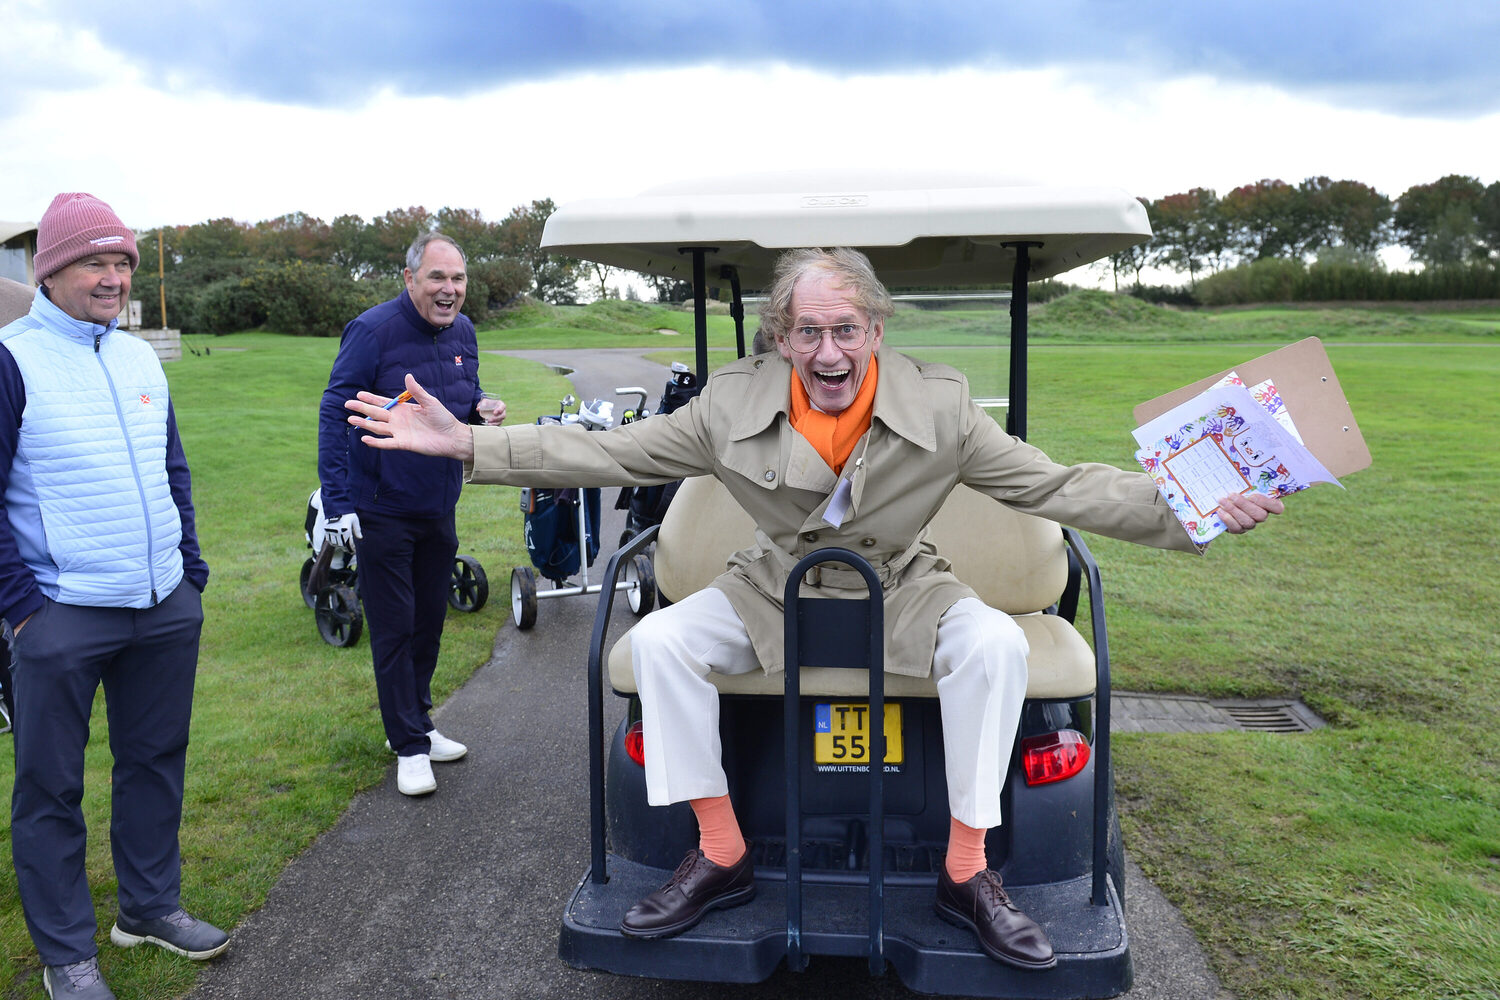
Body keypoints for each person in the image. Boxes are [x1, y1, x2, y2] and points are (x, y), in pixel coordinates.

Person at [343, 247, 1283, 968]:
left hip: (903, 583)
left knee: (996, 647)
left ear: (876, 328)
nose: (828, 353)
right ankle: (721, 854)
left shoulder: (943, 409)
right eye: (807, 333)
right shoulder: (729, 405)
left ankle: (966, 871)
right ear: (781, 338)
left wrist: (1187, 508)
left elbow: (1059, 485)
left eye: (845, 330)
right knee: (661, 642)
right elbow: (611, 454)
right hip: (774, 584)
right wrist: (468, 445)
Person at [0, 193, 227, 1000]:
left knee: (155, 762)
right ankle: (68, 954)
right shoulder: (12, 358)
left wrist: (188, 572)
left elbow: (173, 470)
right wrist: (24, 610)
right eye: (93, 262)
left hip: (162, 603)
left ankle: (149, 908)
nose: (113, 277)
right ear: (50, 272)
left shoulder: (136, 357)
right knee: (50, 788)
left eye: (122, 261)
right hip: (60, 613)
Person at [317, 232, 505, 797]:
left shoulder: (463, 332)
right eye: (437, 277)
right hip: (382, 507)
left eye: (458, 279)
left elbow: (461, 395)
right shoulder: (372, 331)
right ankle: (408, 746)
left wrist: (481, 408)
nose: (450, 290)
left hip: (438, 503)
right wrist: (338, 502)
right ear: (409, 278)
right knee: (395, 627)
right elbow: (335, 411)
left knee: (428, 622)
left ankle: (417, 721)